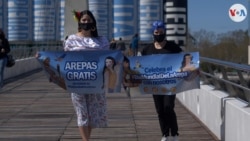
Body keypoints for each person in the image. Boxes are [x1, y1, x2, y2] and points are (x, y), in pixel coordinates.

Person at [64, 10, 109, 141]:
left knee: (93, 115)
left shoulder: (101, 40)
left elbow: (108, 57)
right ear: (79, 22)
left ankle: (87, 138)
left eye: (89, 20)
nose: (86, 22)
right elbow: (64, 59)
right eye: (84, 20)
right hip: (77, 82)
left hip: (96, 82)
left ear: (93, 23)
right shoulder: (71, 40)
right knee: (81, 113)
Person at [141, 20, 182, 141]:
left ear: (164, 32)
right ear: (152, 33)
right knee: (160, 109)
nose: (158, 34)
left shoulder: (173, 47)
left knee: (168, 107)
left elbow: (183, 59)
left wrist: (193, 69)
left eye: (161, 32)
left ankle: (174, 134)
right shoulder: (147, 49)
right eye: (156, 32)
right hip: (155, 84)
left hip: (170, 83)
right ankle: (165, 134)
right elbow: (141, 65)